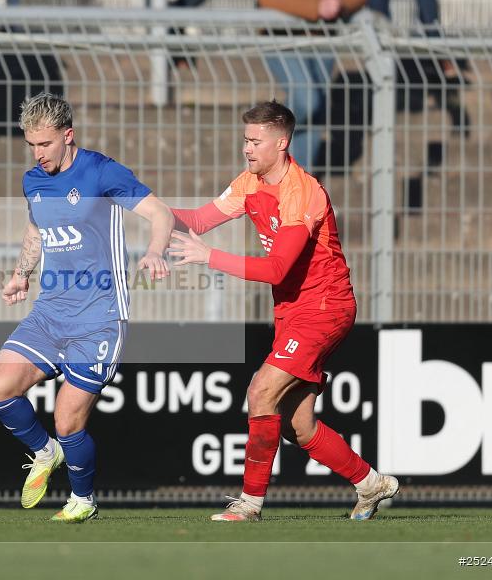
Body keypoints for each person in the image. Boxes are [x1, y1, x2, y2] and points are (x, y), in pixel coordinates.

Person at [169, 100, 398, 522]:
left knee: (261, 391)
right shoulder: (249, 183)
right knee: (297, 424)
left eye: (255, 142)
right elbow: (197, 221)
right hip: (292, 311)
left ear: (281, 143)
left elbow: (277, 269)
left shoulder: (303, 192)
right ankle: (371, 483)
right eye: (245, 140)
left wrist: (209, 257)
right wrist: (140, 208)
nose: (247, 149)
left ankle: (249, 504)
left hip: (324, 307)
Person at [0, 93, 173, 523]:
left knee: (67, 419)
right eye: (31, 145)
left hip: (99, 318)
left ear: (67, 136)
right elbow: (35, 230)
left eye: (45, 144)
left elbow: (160, 213)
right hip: (50, 312)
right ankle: (44, 452)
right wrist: (21, 274)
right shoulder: (33, 180)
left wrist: (154, 251)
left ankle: (83, 499)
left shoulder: (101, 172)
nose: (38, 153)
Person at [257, 0, 366, 174]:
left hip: (322, 38)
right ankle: (265, 140)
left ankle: (299, 180)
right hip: (280, 37)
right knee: (307, 100)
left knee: (316, 112)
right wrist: (316, 7)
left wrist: (340, 4)